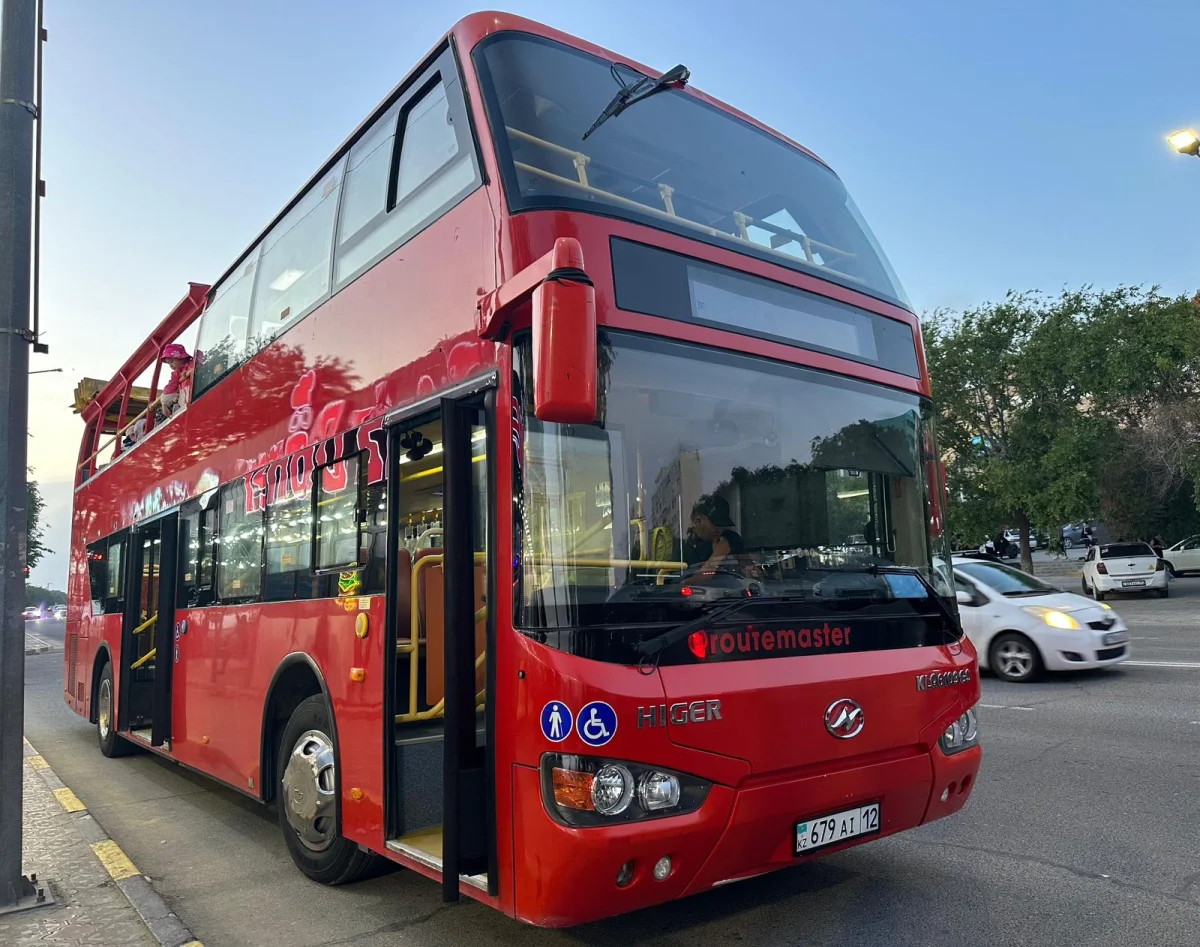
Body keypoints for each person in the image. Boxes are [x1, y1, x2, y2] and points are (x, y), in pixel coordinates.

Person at [684, 494, 745, 572]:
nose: (719, 529)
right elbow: (690, 581)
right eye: (715, 524)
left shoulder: (731, 540)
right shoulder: (683, 549)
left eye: (723, 524)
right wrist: (718, 555)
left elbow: (749, 570)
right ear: (698, 521)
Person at [159, 343, 193, 417]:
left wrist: (189, 372)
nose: (171, 366)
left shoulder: (192, 364)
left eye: (171, 362)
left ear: (181, 357)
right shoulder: (176, 374)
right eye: (168, 364)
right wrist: (164, 403)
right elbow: (170, 387)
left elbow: (198, 366)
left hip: (195, 397)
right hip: (184, 405)